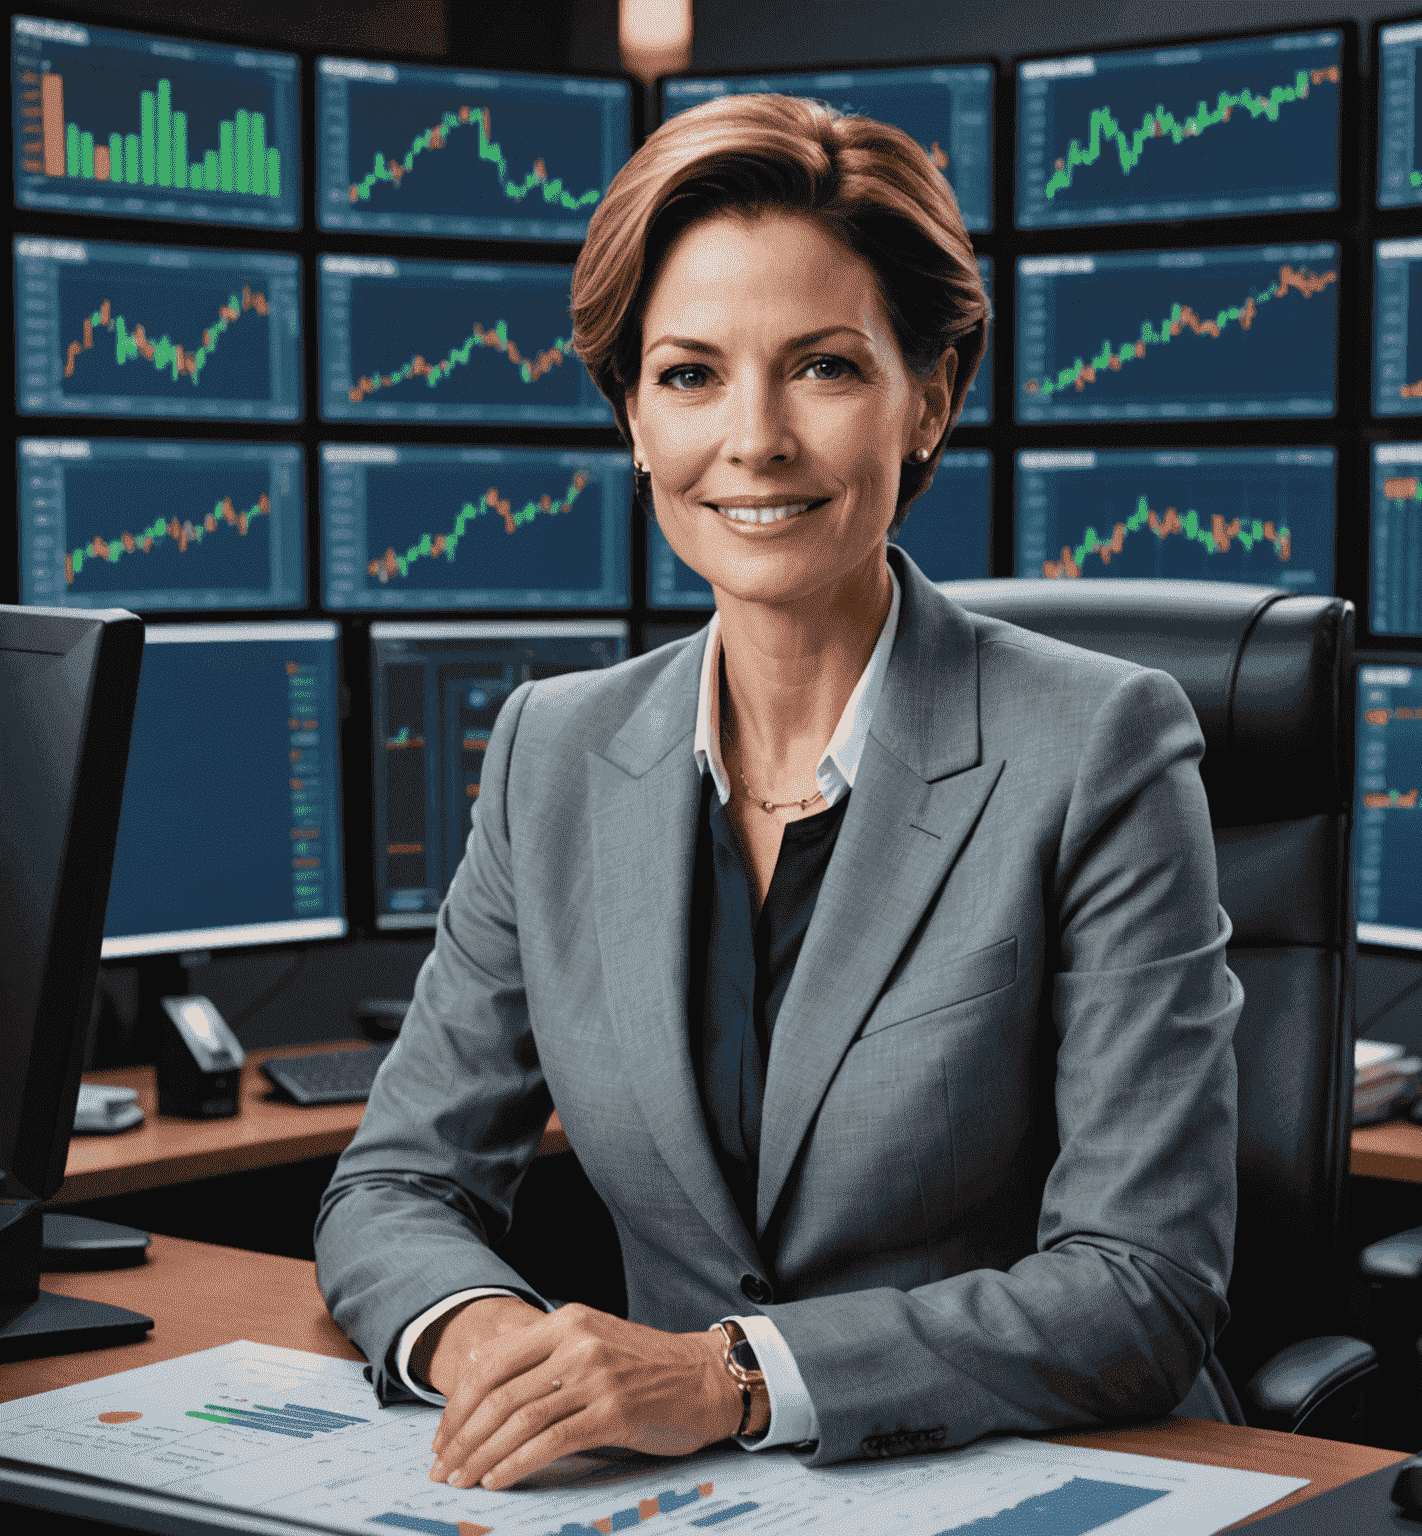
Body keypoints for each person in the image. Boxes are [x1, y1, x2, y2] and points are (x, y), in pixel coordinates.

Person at [314, 92, 1242, 1493]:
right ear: (631, 414)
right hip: (670, 1499)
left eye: (822, 368)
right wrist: (490, 1343)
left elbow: (1143, 1280)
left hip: (1029, 1480)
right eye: (688, 374)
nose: (752, 440)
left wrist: (729, 1377)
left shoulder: (1100, 744)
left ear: (927, 397)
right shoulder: (551, 751)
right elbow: (396, 1185)